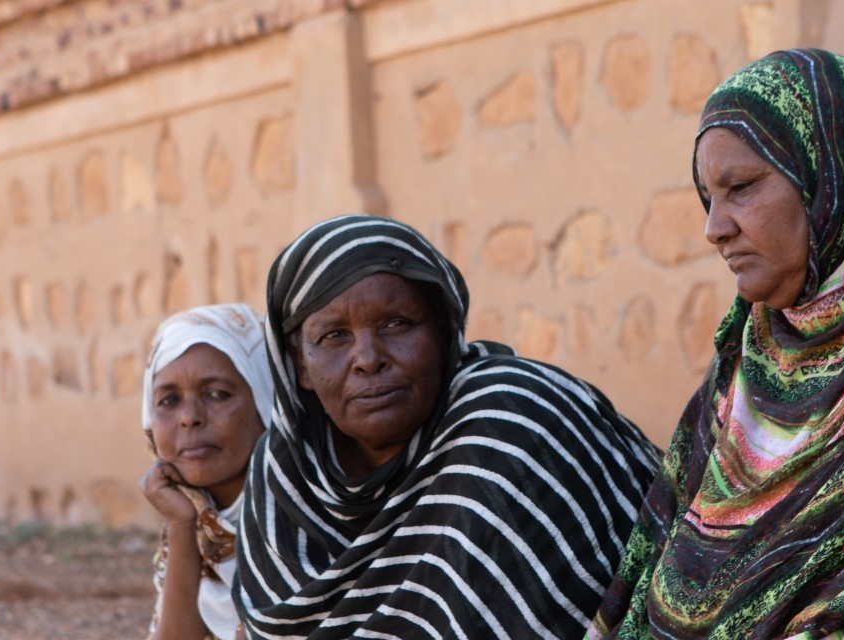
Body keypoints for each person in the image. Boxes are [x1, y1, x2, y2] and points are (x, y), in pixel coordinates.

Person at [591, 49, 844, 638]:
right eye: (709, 196)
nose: (713, 227)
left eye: (742, 187)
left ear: (838, 178)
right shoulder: (753, 358)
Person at [232, 214, 661, 638]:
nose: (368, 357)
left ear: (442, 331)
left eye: (395, 323)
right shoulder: (282, 477)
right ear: (299, 364)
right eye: (333, 336)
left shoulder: (509, 424)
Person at [137, 304, 274, 640]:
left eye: (216, 394)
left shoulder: (313, 513)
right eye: (168, 400)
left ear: (267, 400)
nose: (190, 417)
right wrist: (182, 525)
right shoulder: (197, 515)